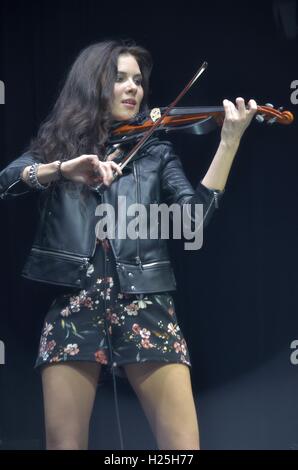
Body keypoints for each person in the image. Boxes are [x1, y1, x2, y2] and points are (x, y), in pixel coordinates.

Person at [0, 40, 257, 450]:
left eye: (138, 80)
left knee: (182, 449)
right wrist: (64, 169)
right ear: (92, 85)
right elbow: (8, 180)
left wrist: (229, 141)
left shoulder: (155, 151)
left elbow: (193, 221)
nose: (132, 87)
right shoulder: (58, 148)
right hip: (75, 303)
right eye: (119, 78)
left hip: (147, 303)